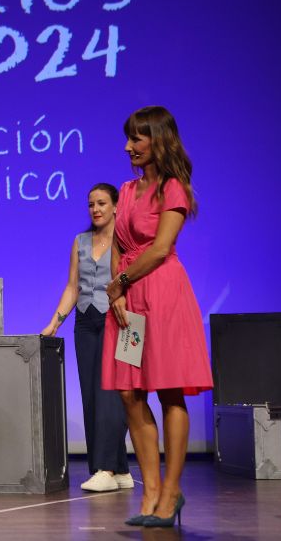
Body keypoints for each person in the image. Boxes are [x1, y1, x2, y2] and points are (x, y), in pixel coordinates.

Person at [102, 106, 213, 528]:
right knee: (130, 393)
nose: (129, 146)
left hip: (162, 293)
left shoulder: (173, 189)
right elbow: (116, 245)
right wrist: (117, 291)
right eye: (129, 138)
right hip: (128, 298)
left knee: (168, 391)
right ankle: (149, 492)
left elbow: (162, 248)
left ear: (158, 140)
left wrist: (123, 280)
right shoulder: (127, 190)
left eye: (137, 138)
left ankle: (171, 492)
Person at [42, 184, 133, 493]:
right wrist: (55, 322)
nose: (96, 209)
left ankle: (106, 467)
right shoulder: (80, 242)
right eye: (91, 204)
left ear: (116, 207)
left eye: (102, 203)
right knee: (92, 395)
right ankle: (117, 468)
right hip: (85, 320)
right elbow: (72, 287)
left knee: (112, 393)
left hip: (118, 319)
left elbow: (132, 278)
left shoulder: (126, 240)